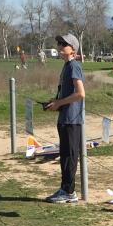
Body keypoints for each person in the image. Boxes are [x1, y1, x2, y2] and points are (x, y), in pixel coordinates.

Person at [42, 34, 85, 204]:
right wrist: (55, 103)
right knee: (65, 155)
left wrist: (59, 102)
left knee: (70, 157)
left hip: (72, 120)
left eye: (64, 44)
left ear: (73, 49)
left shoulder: (74, 66)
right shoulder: (66, 66)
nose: (60, 46)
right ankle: (65, 188)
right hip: (64, 118)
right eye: (59, 43)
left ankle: (69, 192)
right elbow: (66, 93)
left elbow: (80, 93)